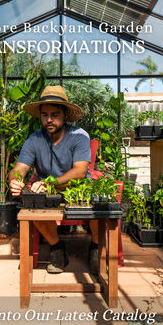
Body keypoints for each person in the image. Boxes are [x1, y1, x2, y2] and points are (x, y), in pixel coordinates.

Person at [9, 85, 98, 274]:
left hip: (78, 190)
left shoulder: (79, 136)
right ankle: (58, 248)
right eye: (45, 115)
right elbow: (19, 169)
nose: (49, 119)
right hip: (48, 193)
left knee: (100, 206)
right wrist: (15, 180)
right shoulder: (34, 140)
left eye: (55, 114)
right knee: (32, 205)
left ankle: (96, 248)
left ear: (65, 114)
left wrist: (49, 182)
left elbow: (80, 171)